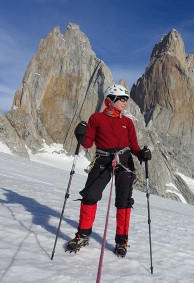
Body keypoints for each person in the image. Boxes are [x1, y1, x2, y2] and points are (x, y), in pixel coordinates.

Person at [66, 84, 151, 257]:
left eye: (126, 99)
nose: (125, 103)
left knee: (124, 200)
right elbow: (88, 143)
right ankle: (83, 234)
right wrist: (81, 135)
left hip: (125, 160)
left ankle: (122, 241)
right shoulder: (96, 118)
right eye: (122, 99)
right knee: (90, 195)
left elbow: (133, 146)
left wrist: (141, 153)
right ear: (110, 100)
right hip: (102, 159)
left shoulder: (127, 122)